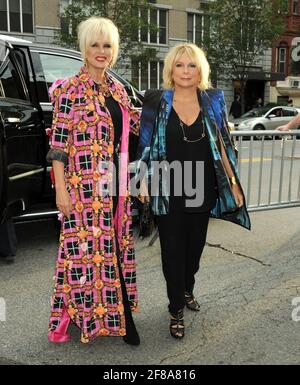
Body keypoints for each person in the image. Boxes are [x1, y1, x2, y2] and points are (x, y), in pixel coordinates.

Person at [138, 43, 251, 340]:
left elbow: (224, 145)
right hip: (167, 187)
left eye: (192, 65)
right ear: (170, 70)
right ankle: (175, 309)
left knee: (194, 251)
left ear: (200, 69)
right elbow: (145, 146)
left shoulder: (212, 100)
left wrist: (234, 184)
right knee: (172, 253)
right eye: (179, 65)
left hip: (203, 188)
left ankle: (187, 288)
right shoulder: (154, 101)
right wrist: (141, 182)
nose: (186, 71)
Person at [46, 17, 140, 345]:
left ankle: (114, 316)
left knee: (114, 247)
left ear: (115, 51)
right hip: (81, 190)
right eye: (95, 44)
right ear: (84, 48)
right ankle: (94, 319)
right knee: (83, 256)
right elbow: (57, 147)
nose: (101, 51)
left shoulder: (118, 90)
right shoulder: (68, 89)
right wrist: (61, 191)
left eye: (108, 45)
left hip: (114, 187)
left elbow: (137, 129)